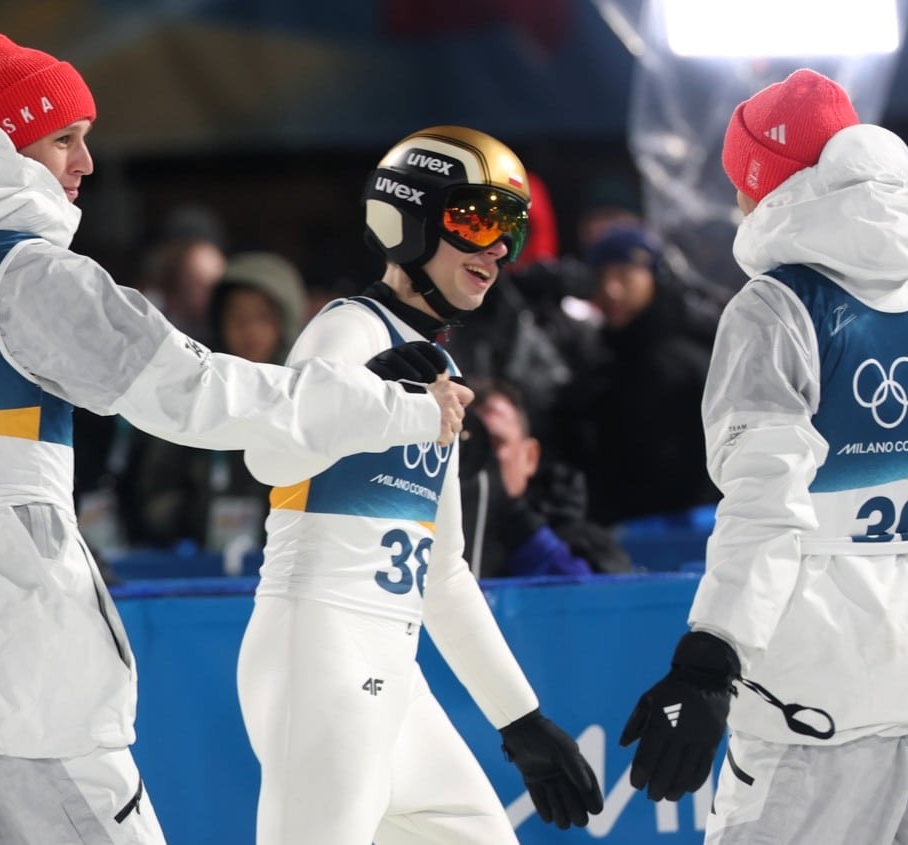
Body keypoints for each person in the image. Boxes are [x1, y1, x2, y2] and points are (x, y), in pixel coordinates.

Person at [0, 33, 469, 845]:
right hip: (31, 694)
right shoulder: (27, 276)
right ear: (4, 144)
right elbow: (202, 393)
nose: (86, 163)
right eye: (66, 139)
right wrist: (391, 407)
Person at [617, 69, 908, 844]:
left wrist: (709, 655)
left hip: (816, 695)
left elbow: (766, 504)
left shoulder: (775, 308)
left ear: (766, 186)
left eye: (740, 182)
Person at [237, 125, 603, 843]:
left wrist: (520, 718)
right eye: (479, 220)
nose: (499, 250)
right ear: (409, 220)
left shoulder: (441, 371)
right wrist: (358, 395)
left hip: (392, 667)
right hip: (322, 647)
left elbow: (443, 572)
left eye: (510, 229)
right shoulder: (348, 329)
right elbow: (266, 459)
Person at [117, 252, 308, 551]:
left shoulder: (307, 396)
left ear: (286, 320)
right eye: (238, 318)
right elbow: (157, 491)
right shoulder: (196, 390)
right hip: (203, 566)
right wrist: (194, 515)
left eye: (262, 317)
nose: (249, 330)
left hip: (289, 559)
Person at [567, 224, 719, 523]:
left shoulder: (677, 357)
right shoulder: (607, 351)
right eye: (601, 277)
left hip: (682, 524)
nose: (611, 290)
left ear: (654, 277)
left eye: (624, 275)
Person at [458, 379, 630, 578]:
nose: (480, 457)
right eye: (463, 445)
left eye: (495, 443)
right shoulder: (433, 530)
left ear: (530, 457)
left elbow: (595, 591)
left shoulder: (574, 539)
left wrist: (519, 525)